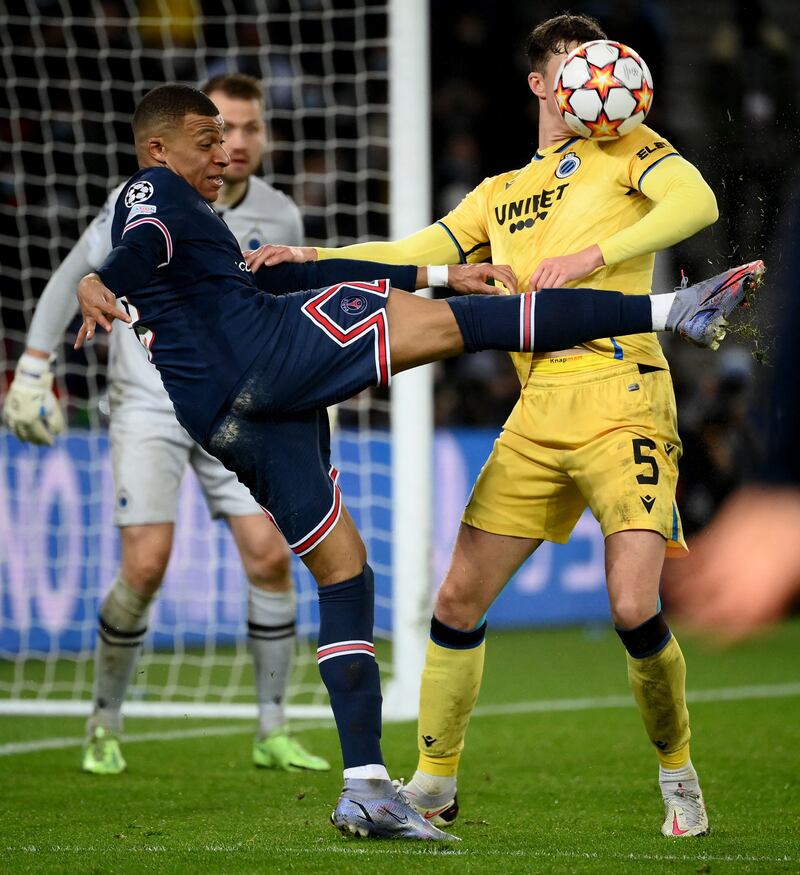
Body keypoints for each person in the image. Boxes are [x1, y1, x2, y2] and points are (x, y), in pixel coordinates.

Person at [73, 82, 756, 840]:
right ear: (159, 147)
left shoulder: (200, 219)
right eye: (209, 139)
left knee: (345, 570)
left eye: (231, 136)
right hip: (267, 355)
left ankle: (365, 785)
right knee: (473, 325)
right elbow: (135, 251)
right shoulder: (154, 192)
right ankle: (672, 310)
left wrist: (436, 270)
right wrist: (97, 278)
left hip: (225, 414)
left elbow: (275, 276)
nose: (226, 150)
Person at [249, 12, 762, 839]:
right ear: (540, 83)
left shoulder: (631, 147)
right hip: (537, 409)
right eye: (571, 67)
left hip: (622, 392)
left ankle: (678, 772)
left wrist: (593, 260)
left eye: (601, 64)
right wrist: (317, 259)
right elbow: (421, 248)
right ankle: (434, 784)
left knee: (633, 604)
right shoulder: (503, 191)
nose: (588, 81)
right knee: (455, 597)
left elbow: (697, 201)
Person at [1, 74, 330, 777]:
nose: (234, 144)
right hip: (150, 400)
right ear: (184, 138)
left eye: (248, 129)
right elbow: (77, 275)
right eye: (220, 130)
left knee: (271, 556)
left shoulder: (280, 215)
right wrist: (34, 363)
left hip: (236, 402)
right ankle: (104, 720)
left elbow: (288, 315)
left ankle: (273, 726)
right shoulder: (140, 200)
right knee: (144, 567)